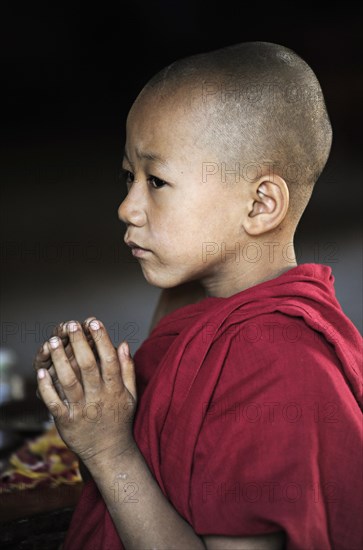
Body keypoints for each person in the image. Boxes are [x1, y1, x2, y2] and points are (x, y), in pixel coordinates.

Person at [33, 41, 362, 549]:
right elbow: (165, 465)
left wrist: (109, 452)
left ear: (260, 204)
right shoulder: (194, 307)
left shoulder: (276, 364)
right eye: (129, 177)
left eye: (156, 180)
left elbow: (133, 468)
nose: (127, 207)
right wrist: (92, 413)